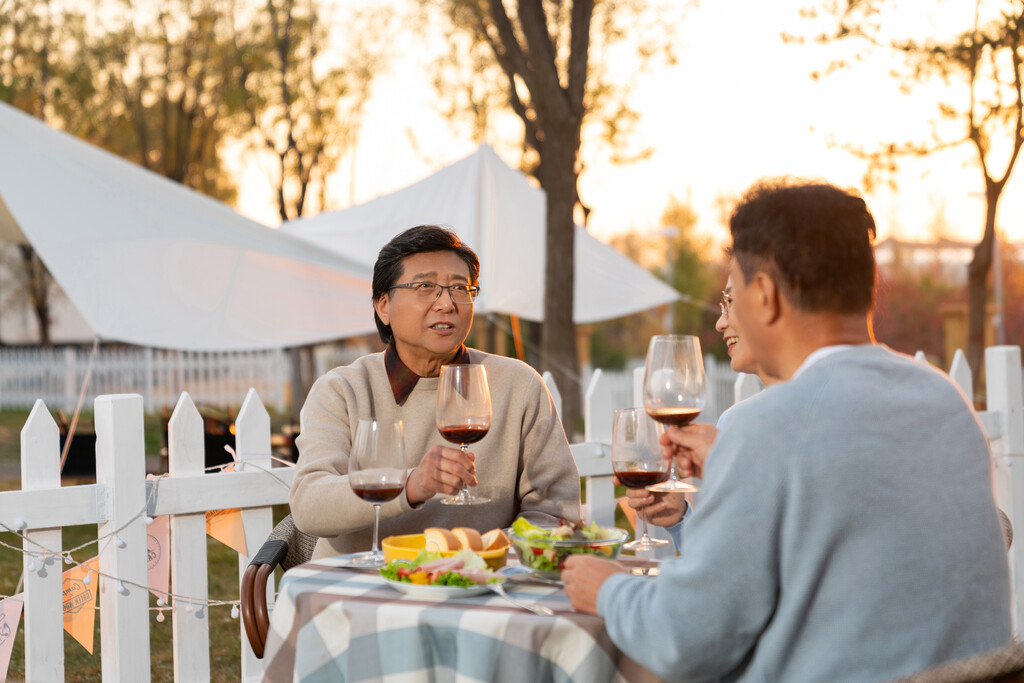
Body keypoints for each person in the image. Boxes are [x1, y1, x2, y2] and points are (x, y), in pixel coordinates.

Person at [562, 179, 1011, 681]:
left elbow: (684, 639)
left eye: (734, 294)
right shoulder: (945, 400)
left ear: (766, 295)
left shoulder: (766, 426)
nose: (721, 320)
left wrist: (605, 589)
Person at [290, 225, 581, 560]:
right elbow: (309, 505)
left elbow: (554, 512)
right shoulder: (342, 390)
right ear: (383, 305)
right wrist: (411, 485)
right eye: (425, 286)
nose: (446, 303)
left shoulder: (519, 385)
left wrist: (478, 557)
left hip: (479, 589)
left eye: (460, 288)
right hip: (359, 591)